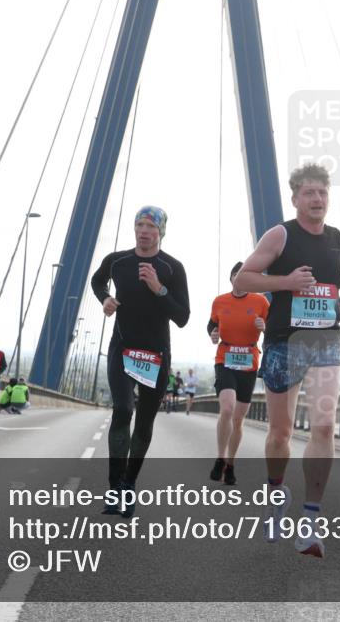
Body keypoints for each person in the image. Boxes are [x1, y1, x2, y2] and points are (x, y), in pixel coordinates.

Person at [234, 163, 340, 558]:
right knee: (280, 433)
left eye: (322, 193)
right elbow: (242, 280)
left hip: (326, 341)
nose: (317, 200)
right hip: (283, 342)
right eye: (309, 193)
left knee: (324, 429)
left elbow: (326, 282)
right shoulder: (279, 234)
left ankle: (309, 522)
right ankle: (276, 494)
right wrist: (285, 282)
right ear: (295, 198)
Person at [91, 205, 190, 518]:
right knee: (122, 410)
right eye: (139, 225)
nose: (144, 231)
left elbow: (183, 317)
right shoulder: (117, 261)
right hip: (122, 350)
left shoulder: (172, 268)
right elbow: (97, 282)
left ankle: (130, 484)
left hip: (156, 356)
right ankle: (115, 487)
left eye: (150, 226)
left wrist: (158, 288)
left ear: (160, 231)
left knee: (144, 423)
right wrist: (105, 298)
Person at [208, 261, 269, 485]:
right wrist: (213, 334)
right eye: (237, 275)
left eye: (245, 275)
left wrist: (264, 326)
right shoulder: (220, 301)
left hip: (249, 363)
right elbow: (211, 324)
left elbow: (273, 331)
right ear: (232, 278)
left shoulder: (261, 301)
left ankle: (230, 464)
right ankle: (220, 457)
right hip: (225, 358)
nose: (240, 279)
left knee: (238, 419)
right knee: (227, 407)